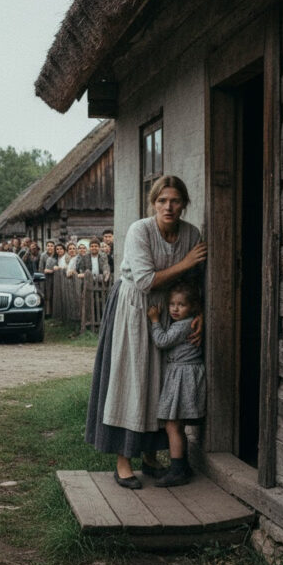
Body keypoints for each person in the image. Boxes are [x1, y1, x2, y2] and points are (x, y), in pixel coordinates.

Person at [85, 175, 206, 489]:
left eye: (175, 200)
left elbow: (197, 281)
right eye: (162, 201)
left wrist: (201, 314)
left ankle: (151, 456)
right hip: (135, 310)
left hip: (170, 313)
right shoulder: (140, 230)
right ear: (153, 203)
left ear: (184, 204)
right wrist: (187, 261)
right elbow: (145, 281)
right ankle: (123, 461)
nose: (168, 206)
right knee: (132, 380)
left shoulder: (191, 233)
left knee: (159, 384)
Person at [147, 281, 205, 487]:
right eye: (172, 304)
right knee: (176, 425)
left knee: (173, 425)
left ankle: (178, 470)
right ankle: (183, 466)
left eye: (181, 305)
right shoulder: (187, 322)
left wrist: (155, 320)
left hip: (183, 375)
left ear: (192, 308)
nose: (175, 308)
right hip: (182, 373)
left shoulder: (182, 325)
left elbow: (162, 341)